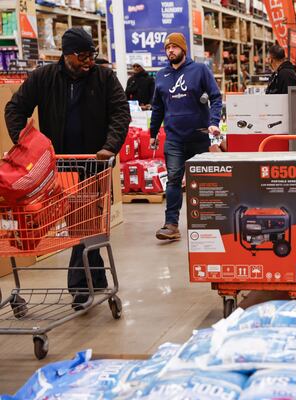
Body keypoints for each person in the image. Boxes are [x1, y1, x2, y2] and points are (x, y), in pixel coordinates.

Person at [4, 27, 130, 307]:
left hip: (92, 165)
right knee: (84, 225)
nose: (88, 62)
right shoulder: (44, 77)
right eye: (82, 56)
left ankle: (79, 289)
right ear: (66, 55)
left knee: (86, 225)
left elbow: (121, 112)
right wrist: (26, 148)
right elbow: (15, 109)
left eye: (91, 55)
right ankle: (96, 281)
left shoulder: (105, 77)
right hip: (58, 167)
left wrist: (109, 147)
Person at [151, 32, 222, 241]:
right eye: (167, 48)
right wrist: (153, 133)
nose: (170, 51)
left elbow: (216, 97)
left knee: (201, 182)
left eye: (174, 47)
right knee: (173, 179)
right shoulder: (161, 75)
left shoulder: (199, 70)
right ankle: (171, 224)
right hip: (173, 137)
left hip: (199, 136)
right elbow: (157, 107)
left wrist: (214, 123)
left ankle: (207, 222)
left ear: (183, 49)